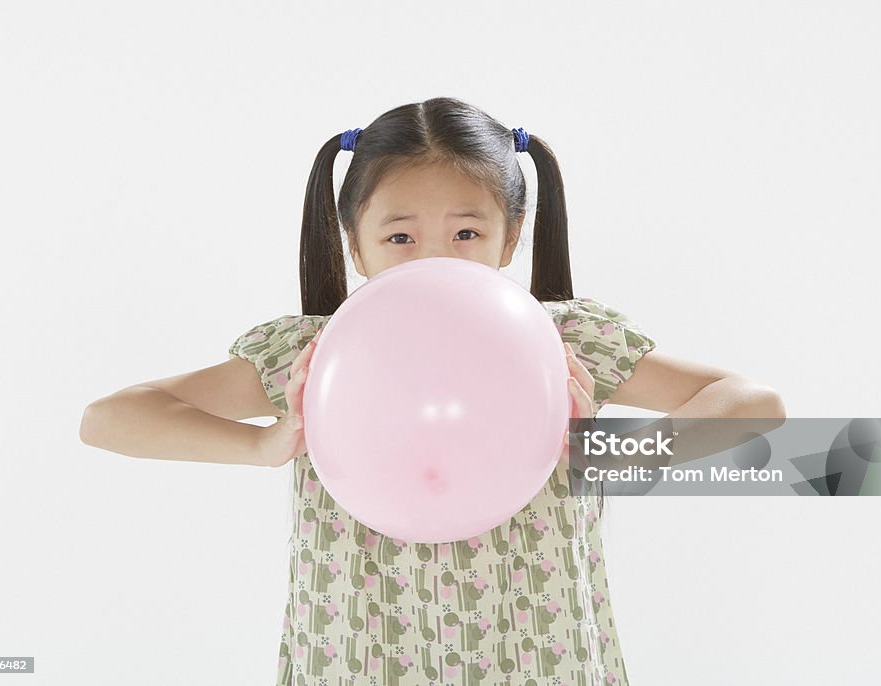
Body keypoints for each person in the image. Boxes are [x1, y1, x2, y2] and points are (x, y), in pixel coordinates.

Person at [80, 96, 785, 685]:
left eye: (467, 231)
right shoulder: (313, 354)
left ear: (510, 240)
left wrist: (599, 452)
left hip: (539, 661)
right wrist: (267, 445)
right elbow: (110, 419)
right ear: (353, 244)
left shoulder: (563, 341)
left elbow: (753, 403)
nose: (435, 258)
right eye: (400, 237)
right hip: (358, 661)